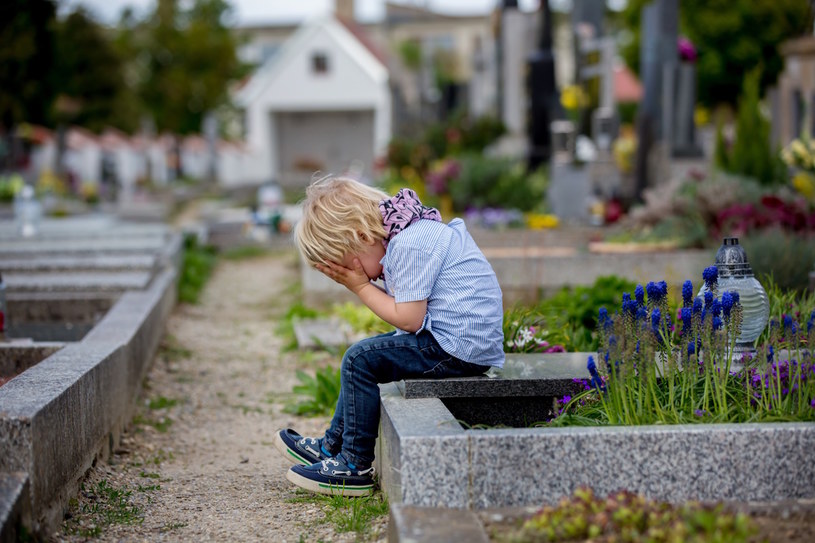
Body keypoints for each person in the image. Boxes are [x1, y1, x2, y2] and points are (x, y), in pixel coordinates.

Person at [274, 176, 504, 496]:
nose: (359, 275)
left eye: (348, 265)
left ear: (361, 235)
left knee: (359, 360)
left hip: (457, 347)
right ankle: (331, 446)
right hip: (461, 342)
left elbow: (409, 319)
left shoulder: (408, 244)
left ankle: (354, 464)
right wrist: (363, 282)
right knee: (368, 355)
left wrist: (360, 287)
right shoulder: (410, 232)